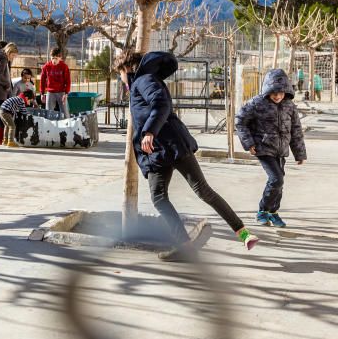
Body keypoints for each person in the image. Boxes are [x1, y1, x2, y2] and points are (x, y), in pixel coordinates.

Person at [117, 50, 257, 261]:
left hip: (165, 146)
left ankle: (197, 244)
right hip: (163, 148)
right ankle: (233, 236)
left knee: (170, 196)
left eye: (120, 74)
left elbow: (161, 104)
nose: (120, 79)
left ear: (127, 69)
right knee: (191, 193)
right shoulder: (146, 80)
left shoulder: (143, 80)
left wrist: (149, 132)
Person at [235, 69, 307, 228]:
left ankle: (273, 213)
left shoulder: (290, 106)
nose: (277, 96)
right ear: (267, 90)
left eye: (281, 92)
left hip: (281, 150)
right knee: (276, 179)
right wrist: (249, 143)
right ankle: (262, 210)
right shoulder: (256, 103)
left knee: (279, 183)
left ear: (286, 90)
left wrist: (299, 153)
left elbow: (296, 129)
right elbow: (240, 121)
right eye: (273, 92)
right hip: (263, 148)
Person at [40, 47, 71, 116]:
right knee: (48, 112)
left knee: (65, 112)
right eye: (52, 58)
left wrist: (66, 94)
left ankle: (67, 126)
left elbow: (68, 81)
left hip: (61, 92)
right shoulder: (46, 67)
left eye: (56, 58)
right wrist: (42, 93)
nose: (54, 60)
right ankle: (49, 126)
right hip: (50, 92)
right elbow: (42, 80)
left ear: (60, 58)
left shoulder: (64, 67)